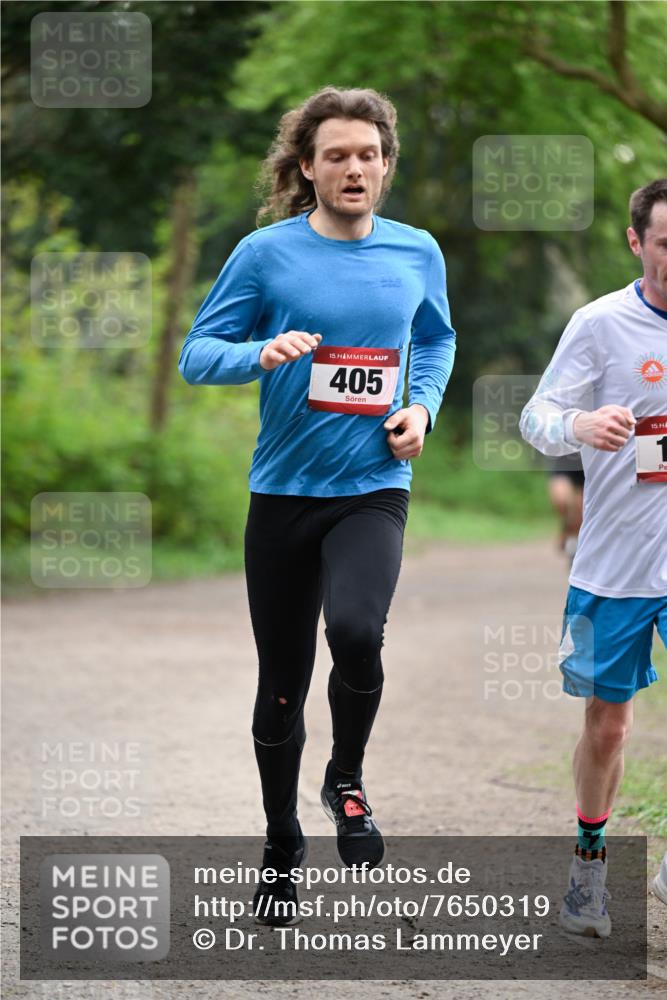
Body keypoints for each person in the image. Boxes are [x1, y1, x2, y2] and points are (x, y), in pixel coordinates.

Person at [179, 86, 456, 926]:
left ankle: (345, 779)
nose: (354, 168)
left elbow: (435, 338)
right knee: (280, 686)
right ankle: (278, 840)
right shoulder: (265, 254)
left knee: (357, 631)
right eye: (335, 154)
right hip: (282, 495)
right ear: (307, 166)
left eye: (368, 155)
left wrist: (421, 407)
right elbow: (197, 354)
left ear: (385, 165)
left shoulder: (416, 253)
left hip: (373, 487)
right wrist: (260, 352)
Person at [520, 178, 667, 938]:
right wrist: (581, 420)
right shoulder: (599, 324)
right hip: (615, 564)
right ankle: (587, 863)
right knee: (607, 725)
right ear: (636, 242)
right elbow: (535, 417)